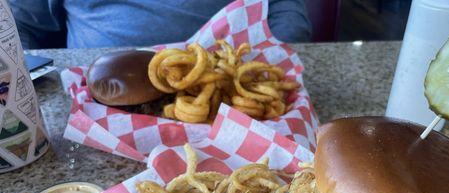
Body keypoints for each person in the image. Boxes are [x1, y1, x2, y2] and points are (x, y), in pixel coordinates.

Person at [9, 0, 312, 49]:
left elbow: (286, 9)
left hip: (239, 96)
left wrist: (265, 63)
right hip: (99, 110)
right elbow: (17, 25)